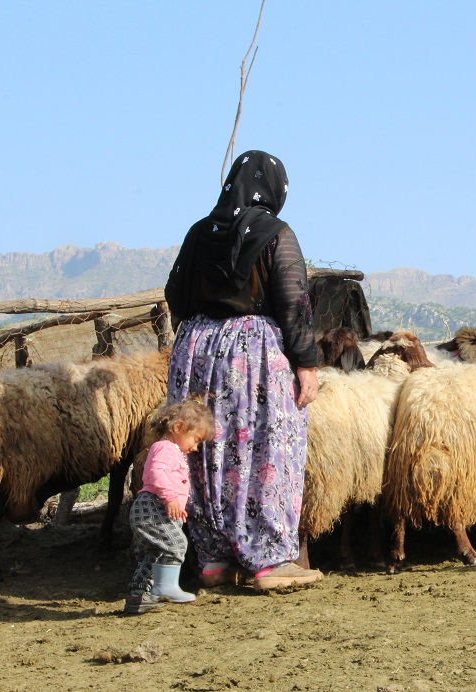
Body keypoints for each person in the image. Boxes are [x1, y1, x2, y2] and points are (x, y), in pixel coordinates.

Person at [164, 150, 323, 591]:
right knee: (266, 448)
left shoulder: (199, 232)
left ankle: (213, 559)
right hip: (251, 355)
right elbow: (295, 302)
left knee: (206, 451)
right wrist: (306, 363)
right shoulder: (276, 233)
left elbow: (175, 293)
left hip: (195, 350)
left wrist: (203, 327)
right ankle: (268, 560)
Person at [125, 399, 216, 615]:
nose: (195, 447)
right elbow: (156, 474)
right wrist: (170, 499)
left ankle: (138, 597)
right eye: (195, 440)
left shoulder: (170, 450)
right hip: (152, 507)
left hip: (151, 509)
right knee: (176, 543)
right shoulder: (165, 448)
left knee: (153, 554)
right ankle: (166, 587)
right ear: (178, 427)